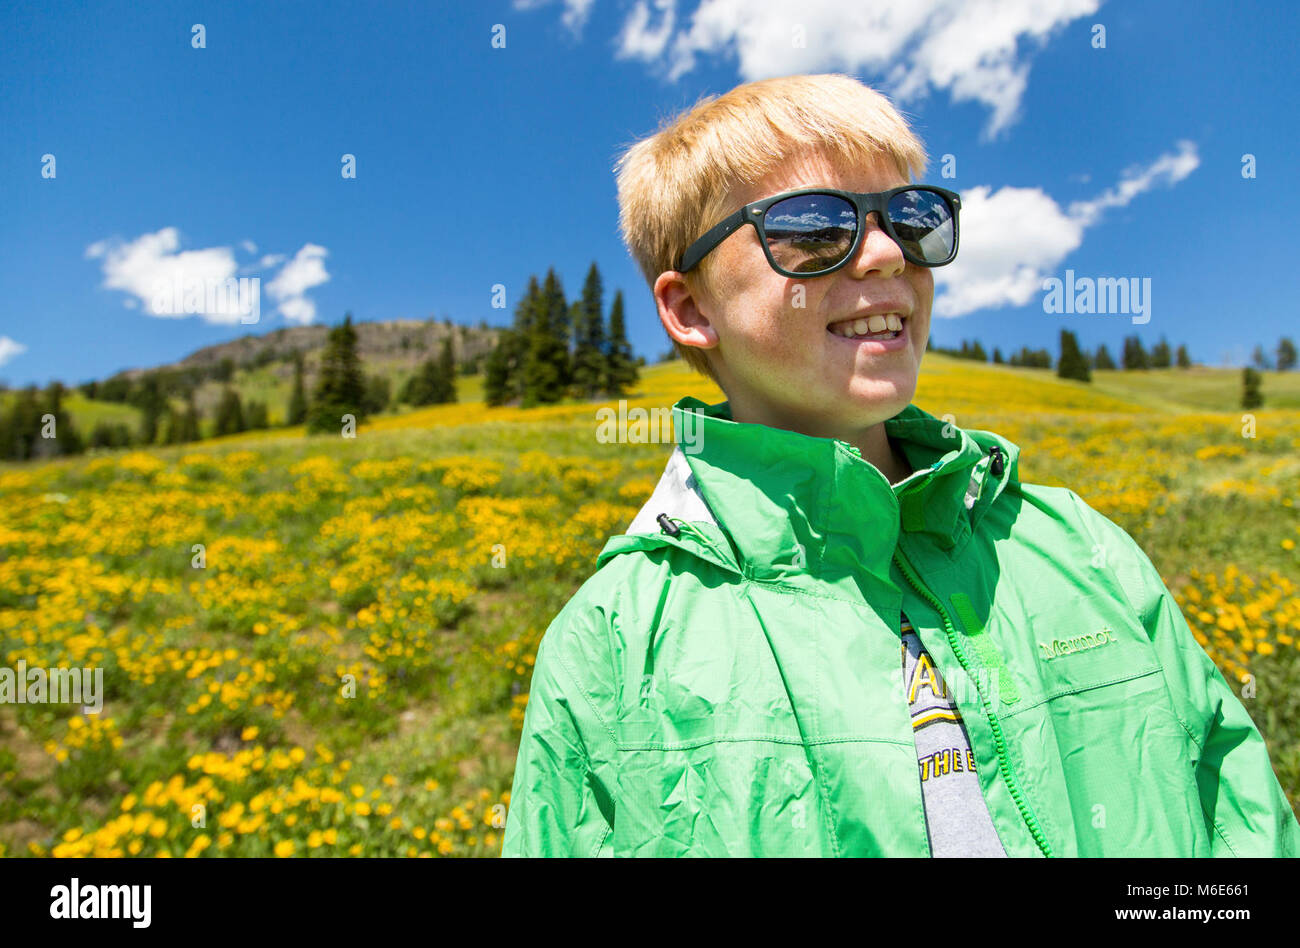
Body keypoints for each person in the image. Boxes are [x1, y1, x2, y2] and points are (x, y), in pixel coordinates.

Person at [500, 73, 1299, 857]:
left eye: (912, 219)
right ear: (691, 309)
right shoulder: (608, 644)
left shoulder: (1083, 546)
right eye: (812, 228)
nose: (887, 254)